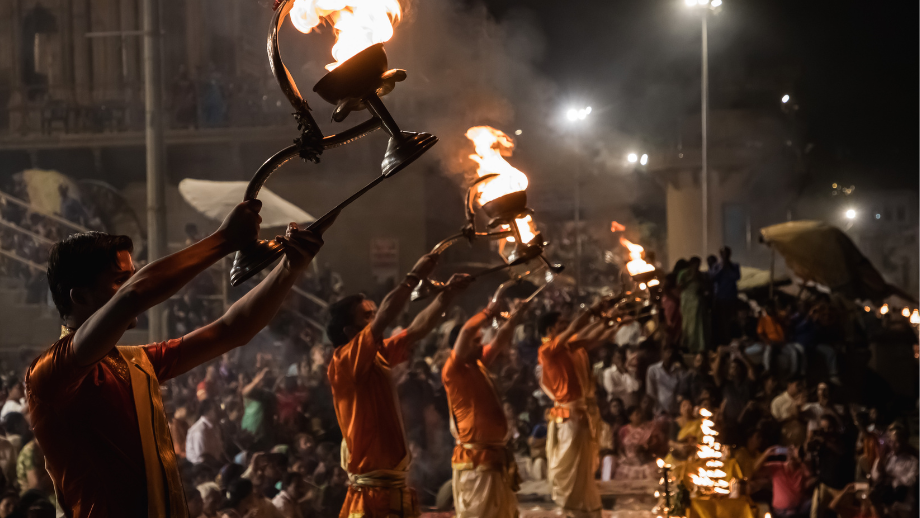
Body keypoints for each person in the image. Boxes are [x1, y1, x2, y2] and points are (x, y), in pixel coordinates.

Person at [26, 201, 329, 517]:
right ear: (80, 297)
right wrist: (223, 240)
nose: (131, 285)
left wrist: (290, 267)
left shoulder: (135, 362)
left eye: (132, 277)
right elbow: (134, 296)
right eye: (120, 279)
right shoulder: (50, 374)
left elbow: (230, 330)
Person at [325, 253, 470, 518]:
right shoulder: (345, 361)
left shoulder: (377, 353)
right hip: (373, 491)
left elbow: (416, 329)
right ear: (349, 332)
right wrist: (414, 275)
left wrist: (446, 295)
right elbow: (387, 314)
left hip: (392, 486)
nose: (375, 319)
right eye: (367, 317)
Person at [442, 288, 529, 518]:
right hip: (475, 461)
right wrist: (488, 312)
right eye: (476, 342)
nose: (481, 345)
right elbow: (467, 331)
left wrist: (515, 316)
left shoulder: (477, 364)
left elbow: (500, 339)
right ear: (460, 347)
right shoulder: (454, 370)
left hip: (494, 457)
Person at [537, 302, 608, 518]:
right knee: (571, 470)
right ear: (550, 331)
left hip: (580, 415)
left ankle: (585, 512)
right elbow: (576, 330)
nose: (566, 325)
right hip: (569, 417)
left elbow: (593, 338)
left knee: (583, 470)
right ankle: (571, 512)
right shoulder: (548, 350)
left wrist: (611, 321)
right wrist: (592, 312)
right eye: (561, 324)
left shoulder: (568, 347)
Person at [869, 424, 918, 518]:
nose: (893, 445)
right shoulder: (887, 458)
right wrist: (879, 463)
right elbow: (875, 476)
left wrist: (895, 475)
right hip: (888, 503)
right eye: (891, 442)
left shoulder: (912, 460)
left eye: (897, 442)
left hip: (905, 505)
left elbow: (911, 481)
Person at [755, 445, 815, 518]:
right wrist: (766, 454)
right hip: (781, 513)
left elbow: (812, 475)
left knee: (814, 502)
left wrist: (801, 457)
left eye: (794, 451)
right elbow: (756, 471)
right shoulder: (777, 467)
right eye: (790, 451)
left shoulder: (801, 469)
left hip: (798, 509)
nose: (792, 454)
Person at [709, 246, 740, 347]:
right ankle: (721, 341)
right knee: (720, 322)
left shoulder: (734, 266)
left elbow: (736, 277)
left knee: (731, 320)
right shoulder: (716, 266)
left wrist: (728, 268)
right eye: (723, 254)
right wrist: (722, 269)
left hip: (731, 298)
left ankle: (730, 340)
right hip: (720, 298)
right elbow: (712, 277)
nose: (725, 256)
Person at [677, 257, 708, 353]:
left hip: (696, 300)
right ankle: (688, 345)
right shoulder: (683, 273)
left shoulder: (701, 275)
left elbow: (704, 287)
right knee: (687, 323)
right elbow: (679, 286)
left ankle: (698, 346)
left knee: (697, 324)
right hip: (687, 300)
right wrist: (691, 278)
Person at [645, 344, 683, 416]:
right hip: (659, 411)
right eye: (668, 352)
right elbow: (650, 392)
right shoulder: (653, 369)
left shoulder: (678, 370)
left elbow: (679, 391)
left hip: (674, 411)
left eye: (672, 352)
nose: (670, 355)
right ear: (662, 353)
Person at [186, 399, 224, 465]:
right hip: (203, 468)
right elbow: (203, 457)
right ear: (208, 412)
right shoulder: (199, 431)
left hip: (215, 463)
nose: (219, 411)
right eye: (215, 409)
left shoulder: (215, 426)